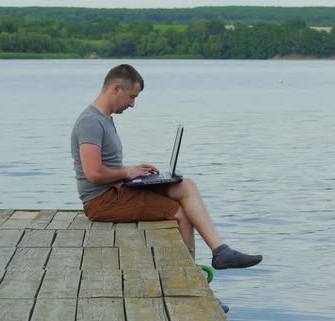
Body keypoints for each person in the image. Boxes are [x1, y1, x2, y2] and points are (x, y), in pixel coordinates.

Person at [70, 64, 262, 270]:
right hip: (102, 202)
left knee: (186, 185)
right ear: (116, 88)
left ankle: (220, 251)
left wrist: (135, 172)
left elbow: (105, 166)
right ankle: (190, 279)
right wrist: (127, 172)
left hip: (117, 191)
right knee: (180, 214)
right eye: (132, 97)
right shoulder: (90, 122)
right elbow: (93, 173)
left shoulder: (104, 119)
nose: (133, 104)